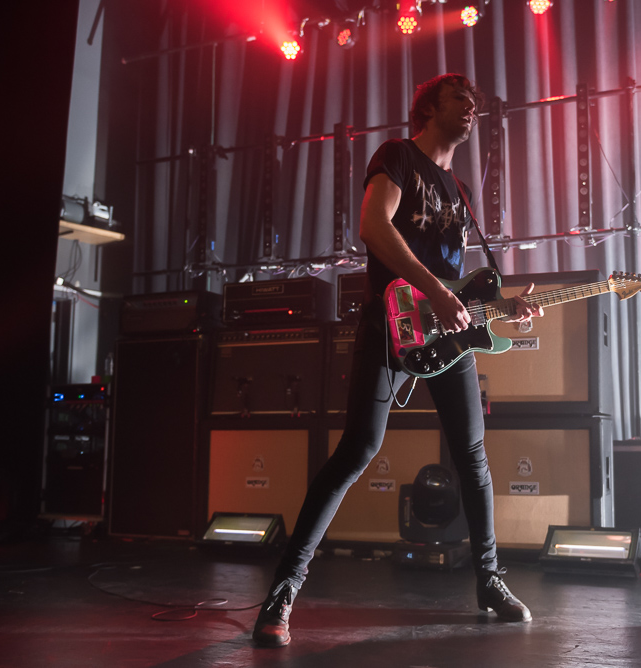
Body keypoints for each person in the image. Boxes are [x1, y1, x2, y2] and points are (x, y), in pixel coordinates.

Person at [252, 73, 543, 648]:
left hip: (447, 335)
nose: (472, 109)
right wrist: (434, 290)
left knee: (473, 456)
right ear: (429, 107)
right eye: (461, 99)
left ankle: (489, 580)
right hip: (389, 323)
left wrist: (504, 308)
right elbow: (372, 226)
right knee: (359, 448)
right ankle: (283, 591)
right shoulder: (398, 157)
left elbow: (460, 286)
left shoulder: (460, 191)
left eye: (476, 104)